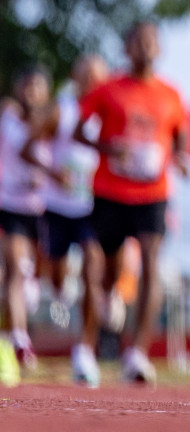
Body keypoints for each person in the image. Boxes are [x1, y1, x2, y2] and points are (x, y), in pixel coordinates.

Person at [73, 21, 190, 385]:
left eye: (151, 41)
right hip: (110, 191)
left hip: (152, 194)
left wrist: (180, 158)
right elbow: (79, 131)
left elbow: (181, 138)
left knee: (152, 264)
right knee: (100, 271)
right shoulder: (108, 90)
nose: (145, 47)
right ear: (126, 48)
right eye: (138, 41)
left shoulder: (171, 95)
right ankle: (86, 351)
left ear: (160, 48)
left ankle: (138, 354)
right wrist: (109, 149)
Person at [30, 54, 107, 386]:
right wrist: (51, 172)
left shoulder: (108, 112)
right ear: (75, 77)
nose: (91, 81)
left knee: (93, 265)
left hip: (92, 207)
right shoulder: (61, 109)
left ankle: (85, 352)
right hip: (57, 207)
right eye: (85, 74)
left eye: (97, 75)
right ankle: (63, 288)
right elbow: (28, 145)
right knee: (57, 278)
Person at [0, 67, 53, 374]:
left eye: (38, 86)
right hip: (10, 204)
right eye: (27, 85)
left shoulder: (52, 122)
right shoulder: (6, 117)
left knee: (44, 273)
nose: (31, 92)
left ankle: (30, 290)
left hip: (43, 207)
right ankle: (19, 338)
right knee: (14, 267)